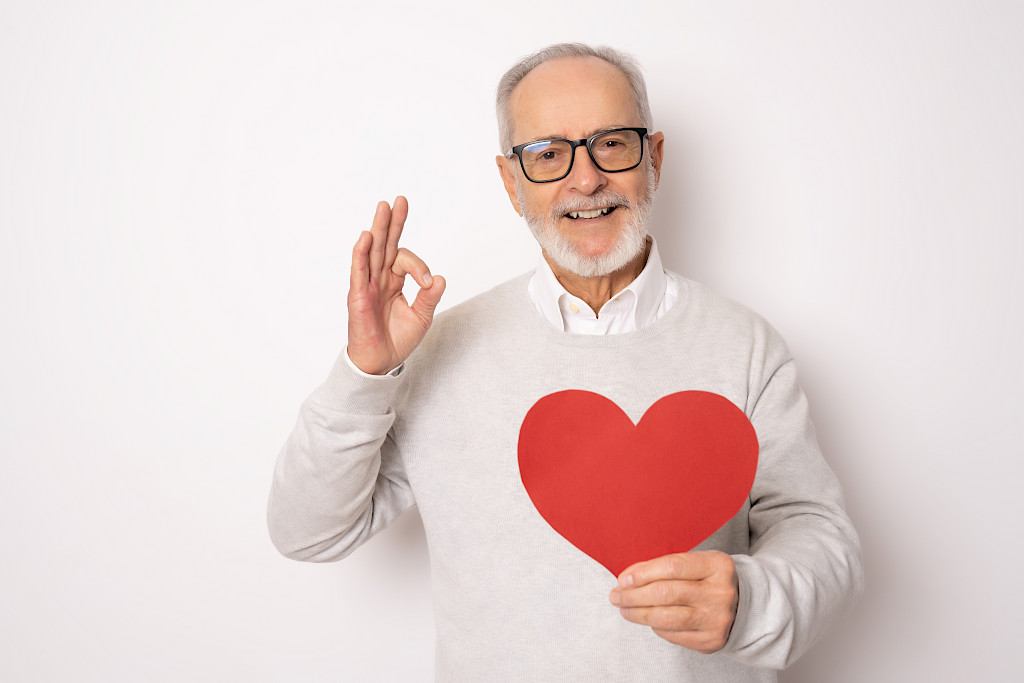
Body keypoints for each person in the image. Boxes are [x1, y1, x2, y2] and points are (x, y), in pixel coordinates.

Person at [268, 43, 863, 681]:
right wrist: (364, 374)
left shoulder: (745, 346)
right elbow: (307, 531)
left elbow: (818, 534)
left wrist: (752, 600)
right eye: (549, 154)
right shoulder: (435, 352)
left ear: (654, 159)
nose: (586, 179)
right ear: (510, 181)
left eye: (612, 143)